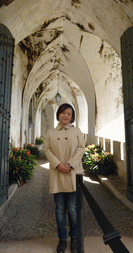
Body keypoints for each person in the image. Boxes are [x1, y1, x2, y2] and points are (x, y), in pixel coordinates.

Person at [43, 103, 85, 253]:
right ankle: (62, 239)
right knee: (60, 209)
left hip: (72, 173)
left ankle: (74, 238)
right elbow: (46, 149)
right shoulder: (50, 132)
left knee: (73, 209)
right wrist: (58, 164)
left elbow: (82, 147)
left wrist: (70, 164)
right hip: (58, 174)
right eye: (63, 113)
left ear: (72, 116)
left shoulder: (77, 131)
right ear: (58, 114)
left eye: (69, 113)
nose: (66, 116)